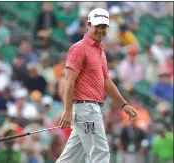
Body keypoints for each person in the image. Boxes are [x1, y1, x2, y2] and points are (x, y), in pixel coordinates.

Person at [56, 8, 138, 163]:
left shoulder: (100, 51)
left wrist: (124, 104)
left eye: (103, 26)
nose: (100, 30)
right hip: (86, 109)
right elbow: (69, 82)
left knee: (70, 159)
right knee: (100, 154)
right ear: (88, 24)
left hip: (89, 110)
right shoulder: (79, 48)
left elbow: (106, 82)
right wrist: (67, 111)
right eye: (97, 26)